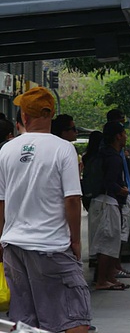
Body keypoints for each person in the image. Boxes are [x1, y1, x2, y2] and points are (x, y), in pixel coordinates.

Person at [0, 87, 91, 332]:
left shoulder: (6, 150)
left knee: (26, 322)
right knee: (75, 315)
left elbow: (1, 202)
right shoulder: (63, 149)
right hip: (51, 246)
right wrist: (76, 241)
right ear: (50, 114)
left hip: (14, 248)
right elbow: (72, 199)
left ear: (25, 118)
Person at [88, 121, 130, 291]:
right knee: (108, 241)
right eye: (124, 133)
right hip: (108, 202)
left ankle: (108, 277)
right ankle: (102, 280)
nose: (126, 136)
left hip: (99, 201)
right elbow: (109, 181)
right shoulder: (113, 157)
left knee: (105, 241)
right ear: (118, 136)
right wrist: (122, 190)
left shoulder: (102, 154)